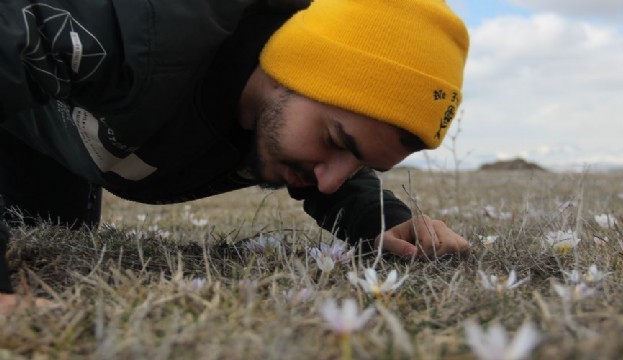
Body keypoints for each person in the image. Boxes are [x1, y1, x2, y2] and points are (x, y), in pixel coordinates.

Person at [0, 0, 470, 306]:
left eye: (362, 162)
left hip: (60, 152)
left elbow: (333, 172)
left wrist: (378, 218)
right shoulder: (144, 25)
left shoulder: (287, 121)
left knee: (51, 237)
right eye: (336, 142)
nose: (331, 179)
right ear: (294, 68)